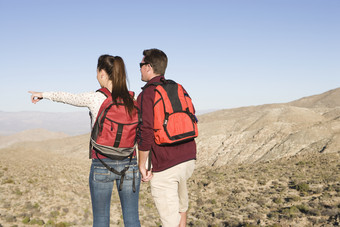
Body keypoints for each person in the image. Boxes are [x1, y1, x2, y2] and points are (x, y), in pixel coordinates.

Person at [29, 55, 141, 227]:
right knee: (132, 219)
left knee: (101, 219)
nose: (96, 76)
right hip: (129, 165)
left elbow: (68, 97)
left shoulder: (95, 98)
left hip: (101, 164)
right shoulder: (132, 100)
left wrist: (43, 94)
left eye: (97, 72)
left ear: (103, 73)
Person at [137, 48, 197, 227]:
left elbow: (145, 132)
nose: (139, 69)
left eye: (141, 65)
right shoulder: (178, 87)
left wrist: (142, 164)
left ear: (148, 67)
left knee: (169, 222)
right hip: (188, 158)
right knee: (180, 210)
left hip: (165, 163)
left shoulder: (147, 94)